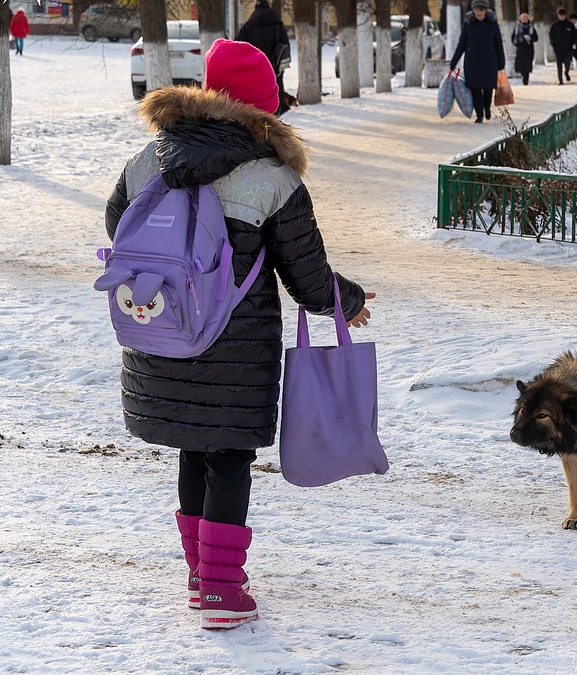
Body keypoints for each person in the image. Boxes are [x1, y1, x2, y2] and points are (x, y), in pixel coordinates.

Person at [102, 39, 375, 630]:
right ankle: (223, 591)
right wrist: (345, 301)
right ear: (262, 107)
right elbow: (305, 272)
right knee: (227, 454)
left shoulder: (147, 159)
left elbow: (118, 227)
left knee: (193, 447)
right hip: (235, 345)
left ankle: (203, 574)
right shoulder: (272, 178)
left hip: (163, 327)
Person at [449, 0, 505, 123]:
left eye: (482, 10)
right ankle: (479, 114)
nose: (479, 12)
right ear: (473, 11)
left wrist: (501, 63)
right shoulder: (468, 24)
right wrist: (453, 63)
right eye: (477, 10)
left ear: (485, 11)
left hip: (489, 61)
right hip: (472, 61)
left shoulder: (492, 24)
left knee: (488, 88)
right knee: (475, 89)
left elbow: (498, 43)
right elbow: (462, 44)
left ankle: (487, 107)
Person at [236, 0, 291, 115]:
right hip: (273, 61)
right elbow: (284, 43)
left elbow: (238, 43)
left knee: (256, 86)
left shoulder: (250, 24)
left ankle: (258, 108)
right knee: (276, 84)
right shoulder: (277, 23)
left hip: (255, 62)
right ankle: (278, 108)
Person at [548, 7, 577, 84]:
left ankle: (566, 72)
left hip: (568, 49)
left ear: (565, 16)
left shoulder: (570, 25)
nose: (562, 17)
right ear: (558, 16)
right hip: (558, 49)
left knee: (567, 63)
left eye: (563, 15)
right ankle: (560, 80)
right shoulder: (555, 25)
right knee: (559, 65)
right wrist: (553, 44)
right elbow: (551, 35)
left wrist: (571, 44)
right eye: (560, 15)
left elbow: (574, 35)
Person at [512, 12, 538, 86]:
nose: (524, 20)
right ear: (520, 19)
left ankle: (526, 81)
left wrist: (530, 38)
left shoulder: (531, 28)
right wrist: (517, 42)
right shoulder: (517, 28)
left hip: (529, 49)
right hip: (520, 49)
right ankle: (523, 76)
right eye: (523, 18)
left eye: (526, 18)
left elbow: (536, 38)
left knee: (527, 65)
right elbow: (513, 38)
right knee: (520, 66)